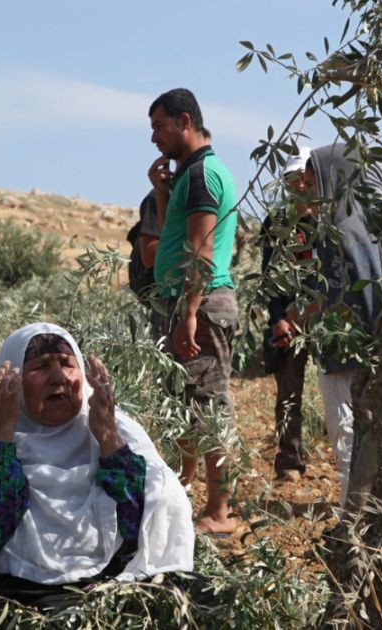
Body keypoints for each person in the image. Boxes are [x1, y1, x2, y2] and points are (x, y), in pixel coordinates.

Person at [0, 323, 194, 607]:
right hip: (16, 598)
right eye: (41, 367)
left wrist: (108, 439)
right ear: (14, 383)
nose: (58, 378)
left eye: (67, 364)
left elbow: (145, 529)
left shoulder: (114, 430)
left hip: (110, 590)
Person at [285, 142, 382, 503]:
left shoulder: (342, 228)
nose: (307, 189)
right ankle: (364, 512)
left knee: (346, 435)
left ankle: (355, 515)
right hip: (363, 347)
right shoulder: (356, 223)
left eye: (312, 181)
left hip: (347, 354)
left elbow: (346, 289)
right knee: (358, 437)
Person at [147, 88, 239, 534]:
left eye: (159, 126)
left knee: (209, 405)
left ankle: (220, 512)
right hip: (182, 302)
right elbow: (174, 235)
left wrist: (189, 313)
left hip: (199, 305)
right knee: (181, 404)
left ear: (186, 122)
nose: (154, 138)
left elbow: (201, 251)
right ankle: (183, 490)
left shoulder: (203, 174)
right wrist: (161, 192)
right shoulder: (188, 175)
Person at [260, 146, 315, 483]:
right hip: (290, 322)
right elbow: (268, 276)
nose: (299, 184)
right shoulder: (277, 222)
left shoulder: (330, 218)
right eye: (293, 177)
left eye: (304, 176)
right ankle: (289, 462)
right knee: (289, 393)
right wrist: (278, 318)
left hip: (328, 317)